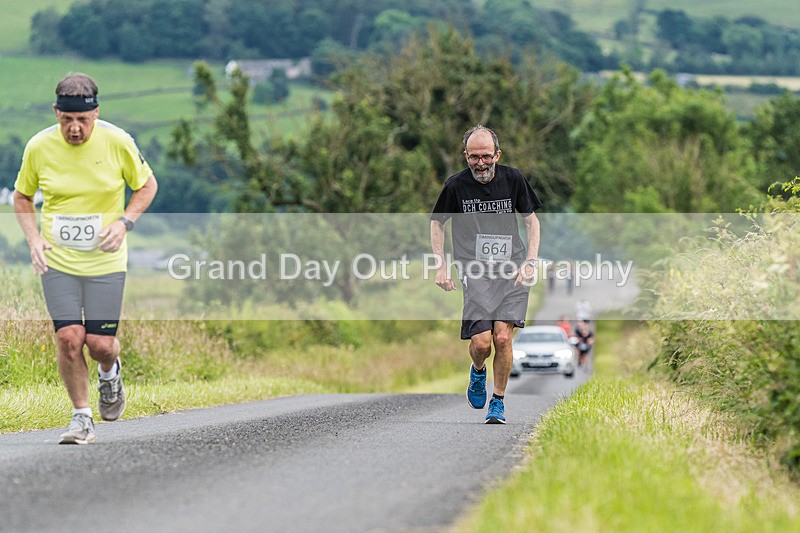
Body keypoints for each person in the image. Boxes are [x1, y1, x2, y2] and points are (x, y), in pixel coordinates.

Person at [13, 72, 158, 444]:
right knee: (68, 337)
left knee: (100, 345)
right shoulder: (39, 147)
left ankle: (110, 374)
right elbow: (22, 196)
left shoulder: (118, 142)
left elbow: (146, 185)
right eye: (66, 120)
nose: (74, 129)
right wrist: (33, 238)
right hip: (58, 259)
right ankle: (81, 419)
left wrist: (125, 223)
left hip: (105, 261)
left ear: (96, 113)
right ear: (55, 113)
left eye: (82, 120)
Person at [431, 125, 542, 424]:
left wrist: (530, 261)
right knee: (482, 343)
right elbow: (437, 223)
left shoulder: (514, 179)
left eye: (486, 156)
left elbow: (532, 222)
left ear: (497, 154)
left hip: (513, 269)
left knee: (503, 338)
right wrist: (440, 264)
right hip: (475, 270)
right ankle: (478, 372)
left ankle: (498, 402)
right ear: (465, 156)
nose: (481, 163)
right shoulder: (455, 186)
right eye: (474, 157)